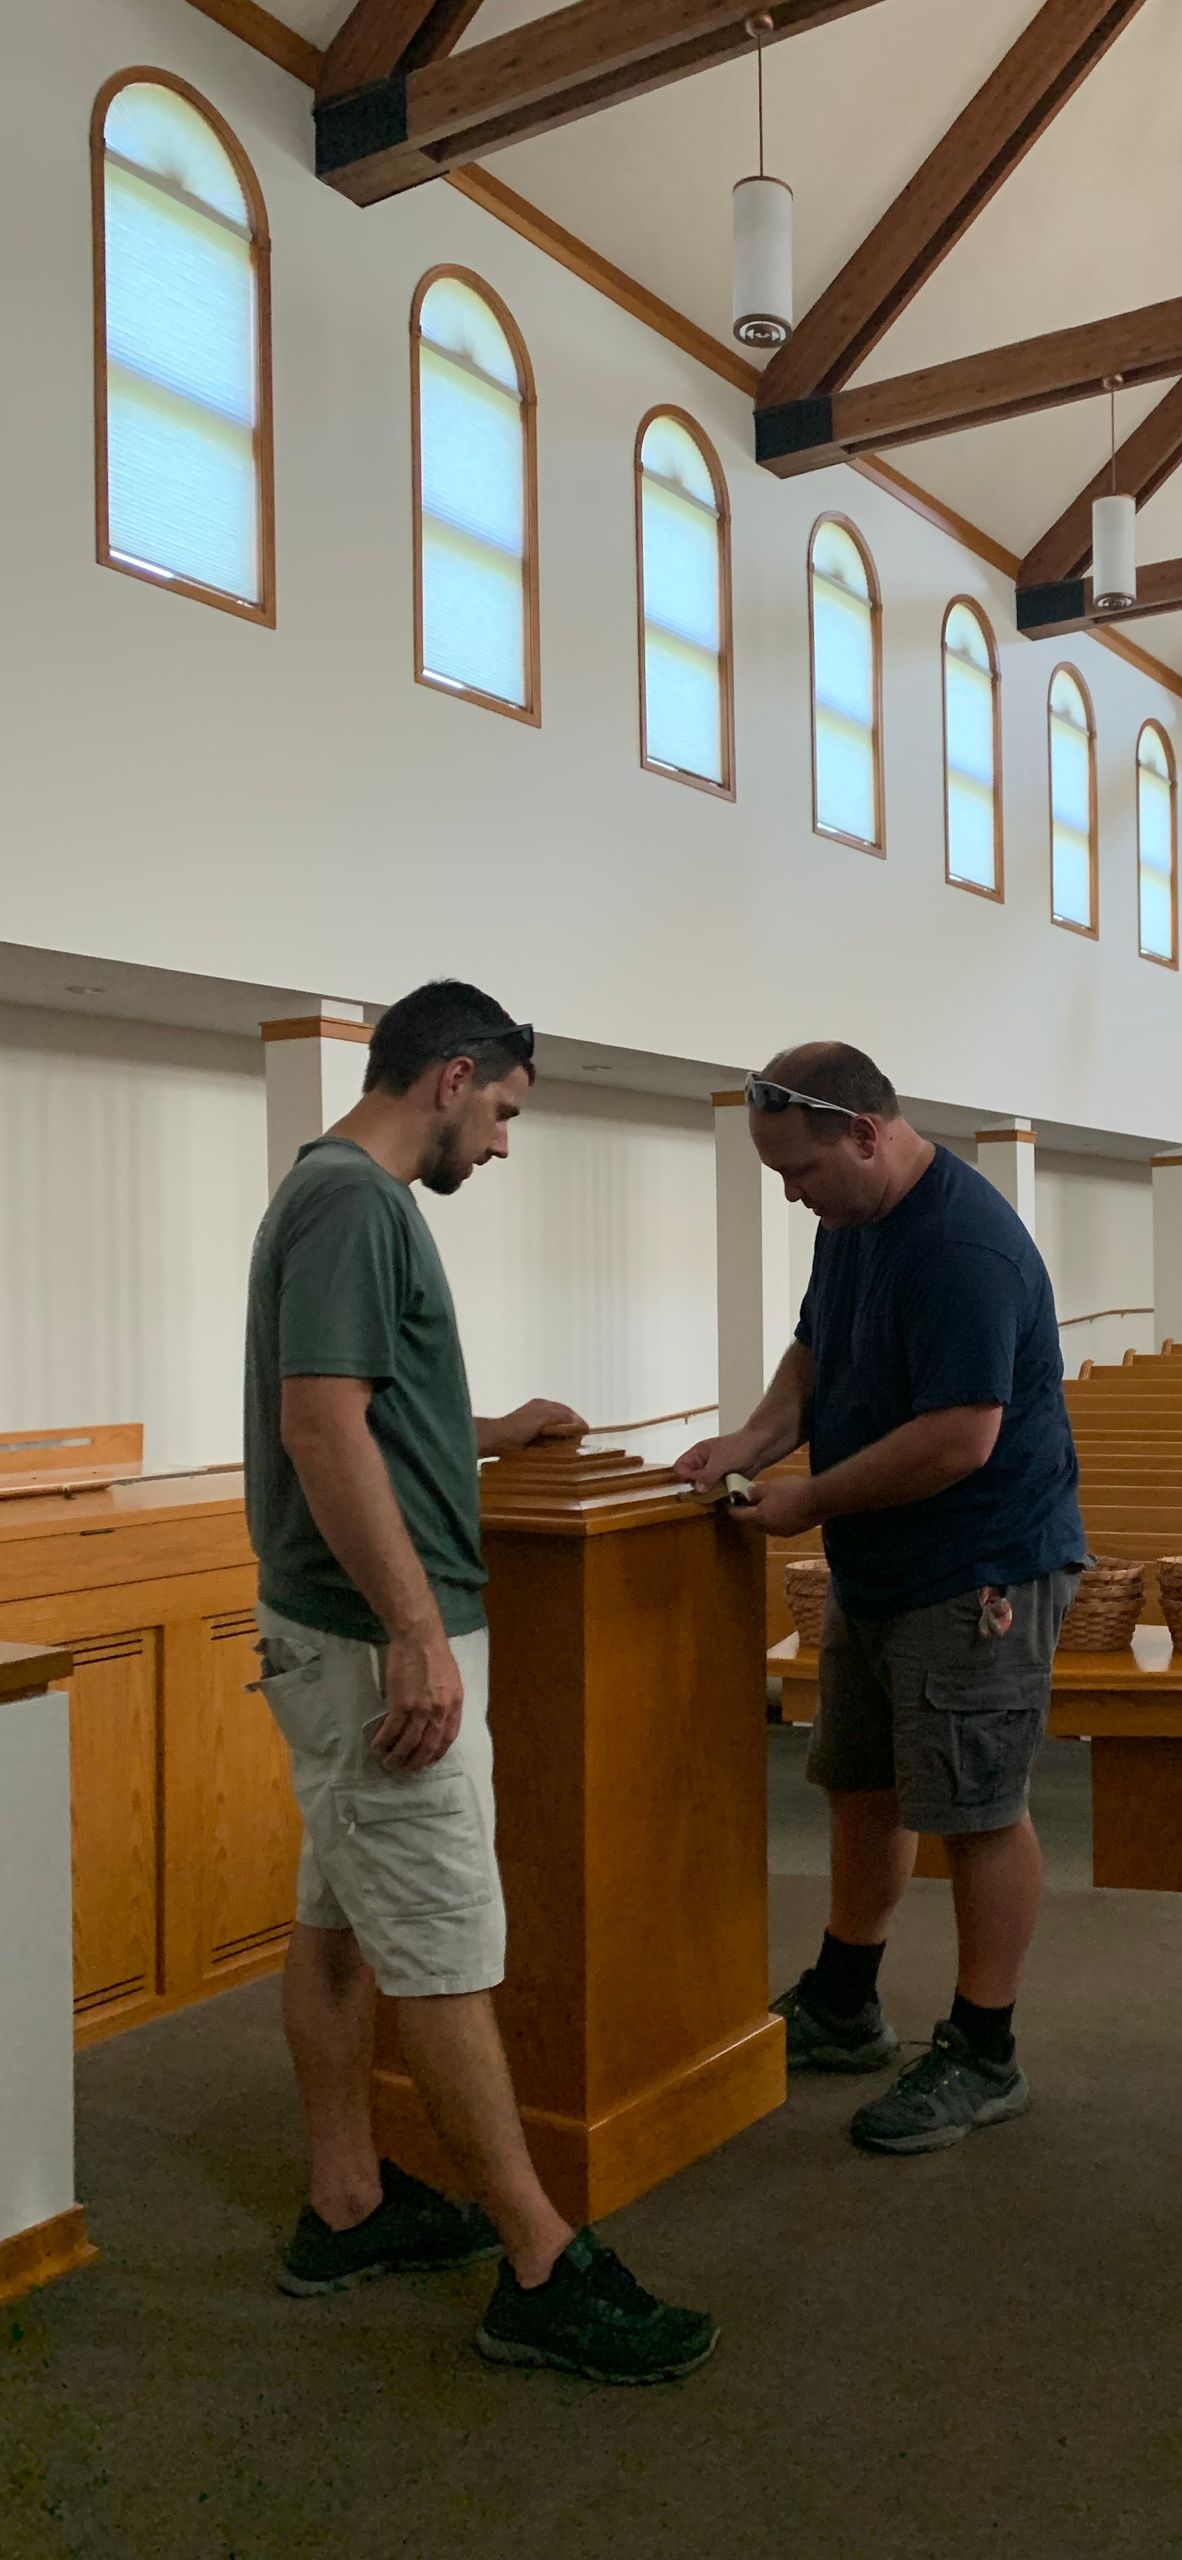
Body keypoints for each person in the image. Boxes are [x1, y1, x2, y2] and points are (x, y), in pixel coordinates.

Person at [244, 979, 716, 2386]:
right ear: (452, 1078)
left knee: (337, 1916)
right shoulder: (352, 1201)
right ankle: (538, 2263)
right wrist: (414, 1629)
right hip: (365, 1640)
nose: (503, 1146)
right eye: (504, 1113)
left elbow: (373, 1405)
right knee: (446, 1946)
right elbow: (322, 1427)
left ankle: (349, 2204)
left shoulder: (339, 1198)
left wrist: (487, 1429)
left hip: (340, 1634)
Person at [677, 1043, 1084, 2155]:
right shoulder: (848, 1222)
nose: (791, 1194)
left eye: (799, 1171)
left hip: (981, 1564)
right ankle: (847, 1997)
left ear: (864, 1132)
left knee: (977, 1804)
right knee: (863, 1783)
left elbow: (963, 1436)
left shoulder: (963, 1245)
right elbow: (814, 1355)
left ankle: (984, 2049)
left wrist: (805, 1497)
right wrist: (747, 1442)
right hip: (882, 1563)